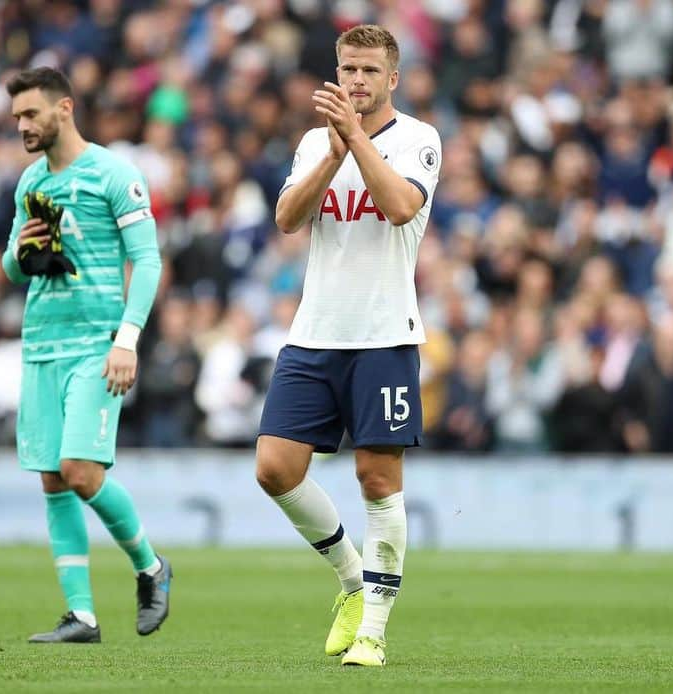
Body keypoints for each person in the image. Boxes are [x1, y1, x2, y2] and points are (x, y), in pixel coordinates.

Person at [254, 25, 441, 667]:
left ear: (394, 78)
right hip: (314, 333)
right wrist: (333, 152)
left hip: (384, 335)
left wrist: (356, 139)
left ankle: (375, 633)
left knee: (377, 479)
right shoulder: (314, 143)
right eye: (347, 70)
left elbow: (397, 208)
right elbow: (286, 219)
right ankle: (351, 581)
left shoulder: (419, 140)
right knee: (274, 468)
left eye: (369, 71)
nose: (356, 81)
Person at [2, 67, 171, 644]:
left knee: (80, 470)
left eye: (30, 114)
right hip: (41, 342)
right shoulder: (31, 183)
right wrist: (24, 251)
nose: (21, 124)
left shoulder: (114, 174)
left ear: (64, 108)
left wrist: (127, 339)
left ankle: (151, 567)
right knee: (53, 479)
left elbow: (147, 260)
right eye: (17, 116)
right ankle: (82, 616)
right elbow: (8, 265)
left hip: (97, 346)